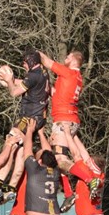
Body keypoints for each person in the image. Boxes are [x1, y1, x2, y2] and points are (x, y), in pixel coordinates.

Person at [37, 49, 101, 206]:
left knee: (59, 159)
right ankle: (68, 192)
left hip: (64, 120)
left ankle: (89, 179)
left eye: (68, 57)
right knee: (57, 158)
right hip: (69, 119)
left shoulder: (69, 73)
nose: (65, 58)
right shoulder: (76, 78)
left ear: (74, 60)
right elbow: (56, 94)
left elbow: (47, 61)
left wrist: (35, 53)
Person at [0, 50, 50, 195]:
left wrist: (9, 80)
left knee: (10, 142)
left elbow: (14, 93)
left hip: (29, 118)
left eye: (24, 63)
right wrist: (13, 81)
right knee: (20, 153)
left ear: (30, 62)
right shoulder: (43, 71)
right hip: (39, 118)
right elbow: (30, 84)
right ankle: (11, 188)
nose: (23, 65)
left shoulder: (32, 75)